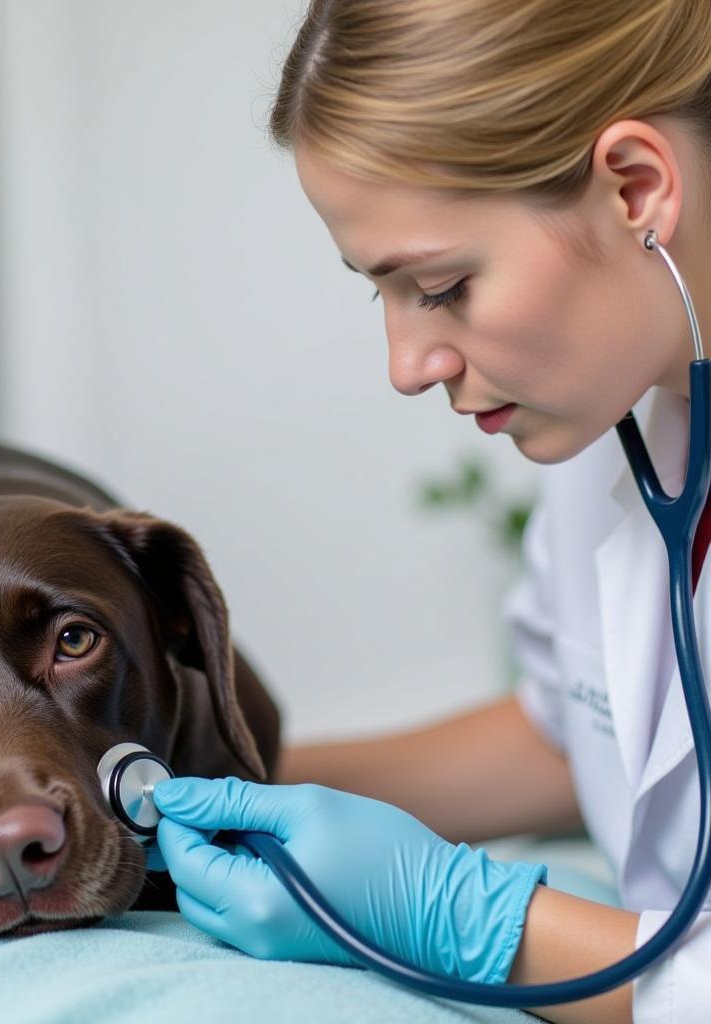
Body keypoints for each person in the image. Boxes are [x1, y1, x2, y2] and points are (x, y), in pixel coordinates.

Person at [148, 2, 711, 1022]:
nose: (408, 367)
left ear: (636, 188)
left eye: (442, 286)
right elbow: (576, 732)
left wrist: (467, 920)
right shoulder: (620, 417)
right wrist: (210, 782)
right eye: (385, 296)